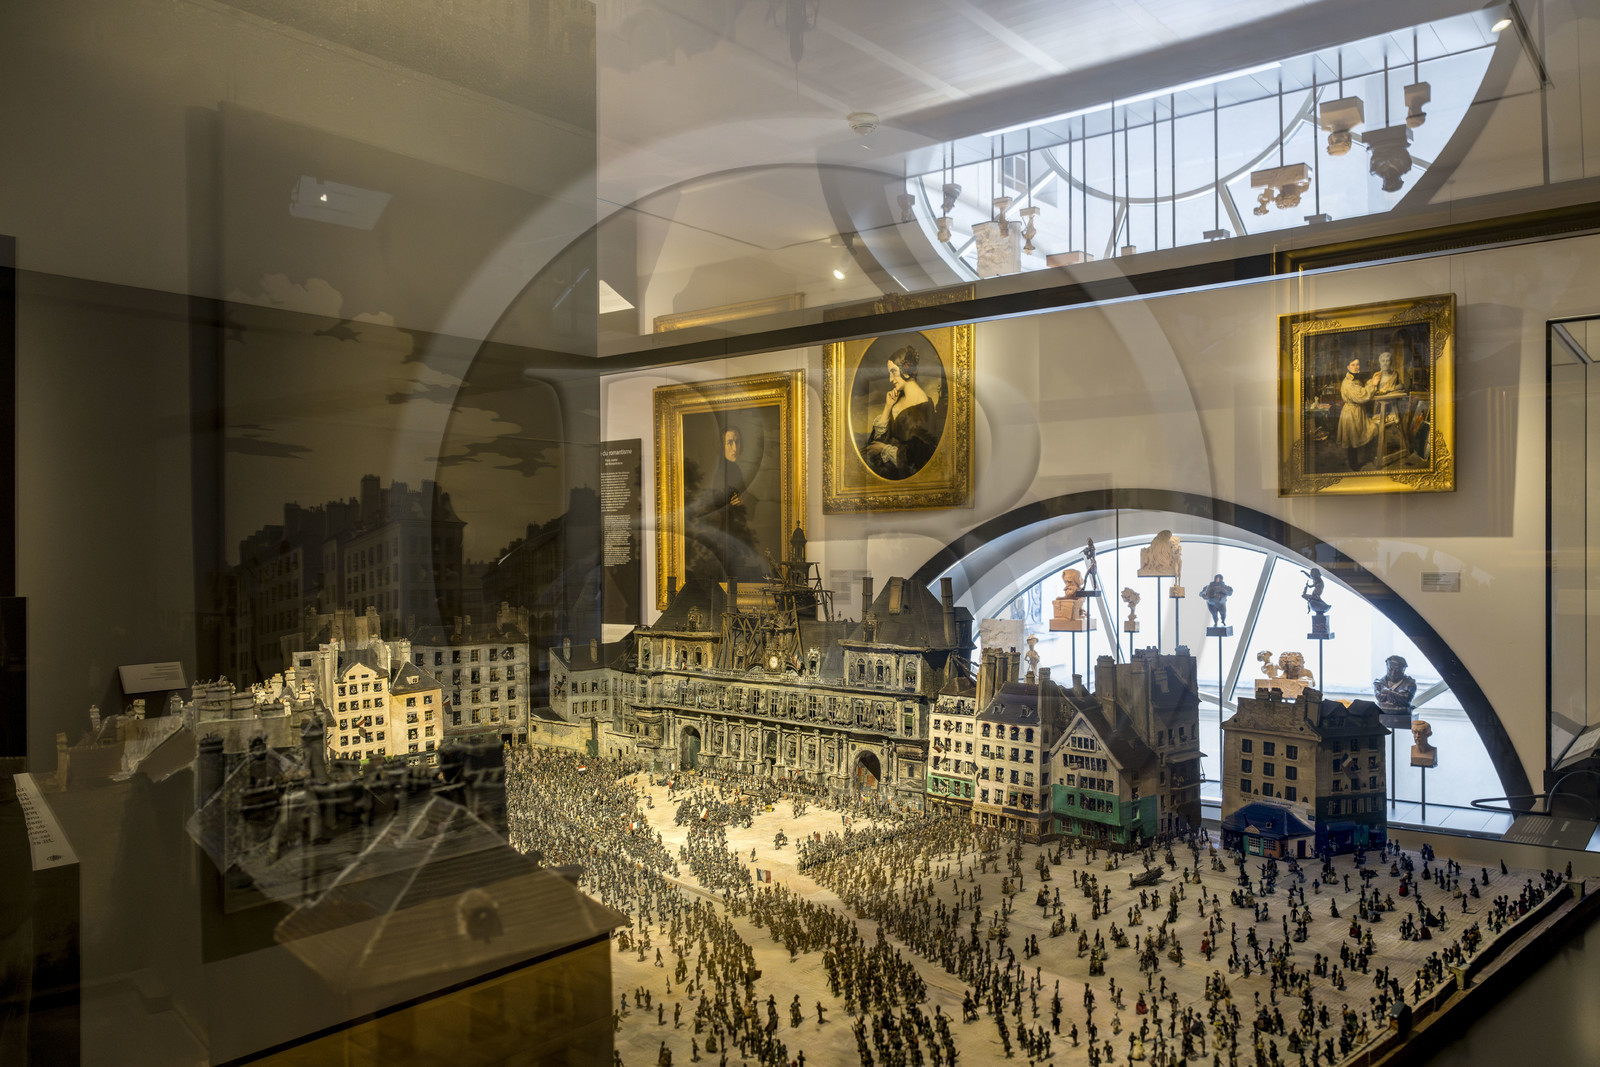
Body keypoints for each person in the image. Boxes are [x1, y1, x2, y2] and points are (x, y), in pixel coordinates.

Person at [688, 425, 766, 580]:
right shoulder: (721, 469)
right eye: (730, 442)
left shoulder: (733, 468)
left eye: (737, 442)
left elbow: (743, 498)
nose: (735, 447)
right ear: (721, 445)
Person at [861, 346, 939, 480]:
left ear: (906, 371)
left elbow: (918, 459)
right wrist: (887, 407)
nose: (891, 379)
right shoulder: (895, 400)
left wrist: (884, 449)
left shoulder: (924, 405)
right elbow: (875, 442)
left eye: (893, 372)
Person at [1336, 357, 1381, 470]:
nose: (1356, 367)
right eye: (1353, 364)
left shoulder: (1354, 379)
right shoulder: (1349, 383)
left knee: (1364, 434)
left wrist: (1372, 380)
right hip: (1352, 413)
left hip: (1357, 411)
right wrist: (1374, 384)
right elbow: (1362, 395)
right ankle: (1354, 465)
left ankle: (1363, 459)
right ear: (1348, 367)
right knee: (1353, 439)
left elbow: (1363, 389)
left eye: (1358, 364)